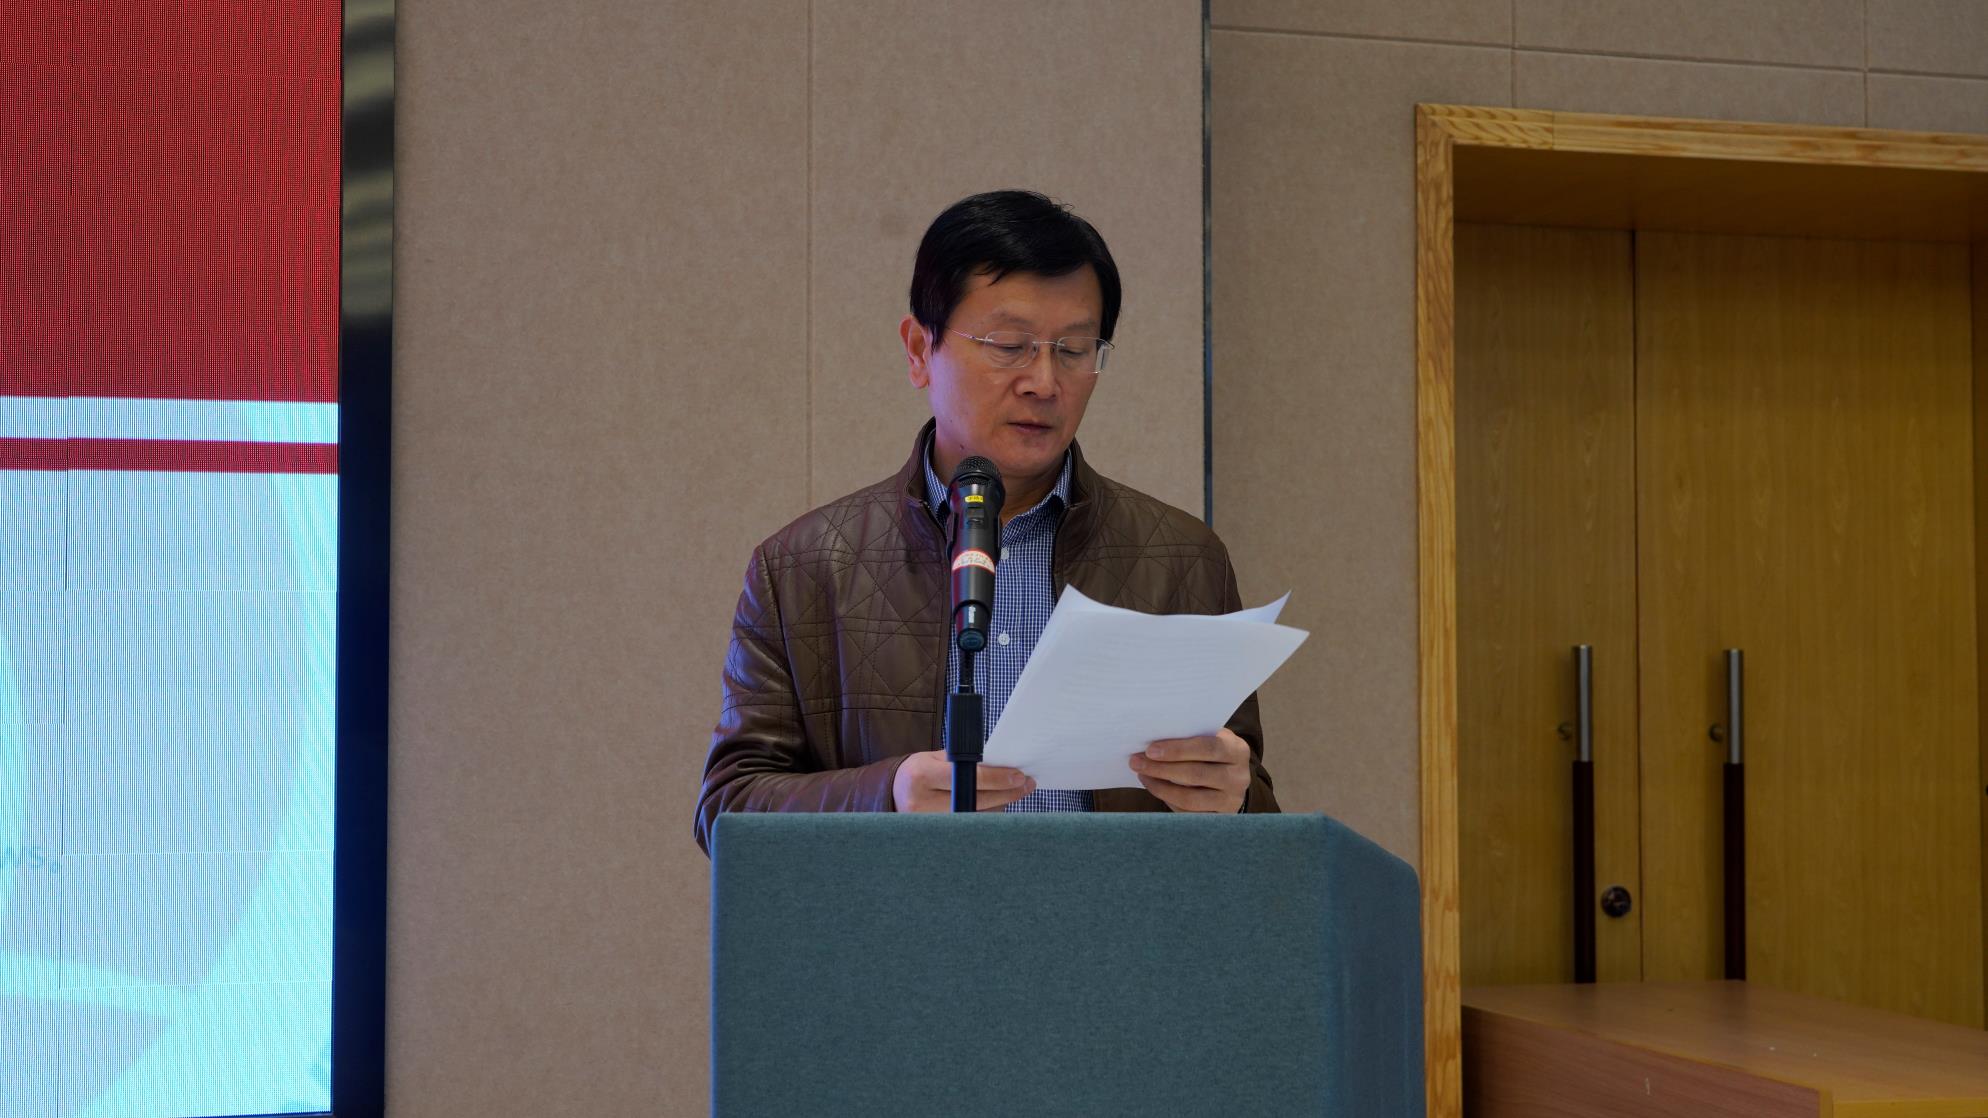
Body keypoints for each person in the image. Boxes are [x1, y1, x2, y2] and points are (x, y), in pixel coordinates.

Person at [694, 190, 1276, 854]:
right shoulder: (803, 568)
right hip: (899, 922)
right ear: (920, 349)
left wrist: (1235, 801)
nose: (1044, 382)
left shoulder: (1180, 559)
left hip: (1113, 920)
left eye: (1074, 349)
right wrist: (886, 798)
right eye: (1008, 345)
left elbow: (1258, 833)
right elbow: (727, 812)